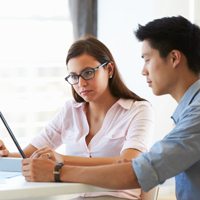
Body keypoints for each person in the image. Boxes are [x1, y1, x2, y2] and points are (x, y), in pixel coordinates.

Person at [22, 16, 200, 200]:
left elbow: (137, 171)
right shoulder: (188, 112)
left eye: (147, 59)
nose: (143, 70)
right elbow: (145, 168)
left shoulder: (194, 114)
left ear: (174, 58)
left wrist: (58, 170)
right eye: (74, 76)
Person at [0, 36, 154, 200]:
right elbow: (29, 155)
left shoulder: (137, 110)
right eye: (74, 76)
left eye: (88, 73)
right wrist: (5, 154)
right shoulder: (70, 110)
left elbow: (129, 162)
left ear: (109, 69)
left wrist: (62, 160)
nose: (81, 83)